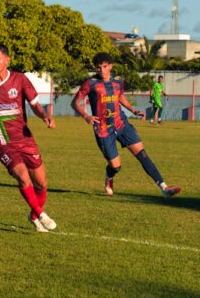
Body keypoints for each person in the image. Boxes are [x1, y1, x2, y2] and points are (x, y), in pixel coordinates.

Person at [0, 44, 57, 233]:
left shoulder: (20, 79)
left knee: (42, 183)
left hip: (24, 139)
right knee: (23, 178)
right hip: (1, 141)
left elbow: (35, 104)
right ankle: (41, 214)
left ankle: (33, 214)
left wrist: (44, 116)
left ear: (7, 60)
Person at [71, 52, 181, 198]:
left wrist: (133, 110)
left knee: (142, 154)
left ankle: (164, 188)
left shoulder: (118, 81)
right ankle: (109, 177)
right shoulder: (90, 83)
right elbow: (75, 102)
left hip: (121, 124)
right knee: (116, 167)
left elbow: (120, 96)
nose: (101, 70)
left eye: (104, 66)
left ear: (110, 66)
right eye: (98, 67)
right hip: (103, 130)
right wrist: (86, 115)